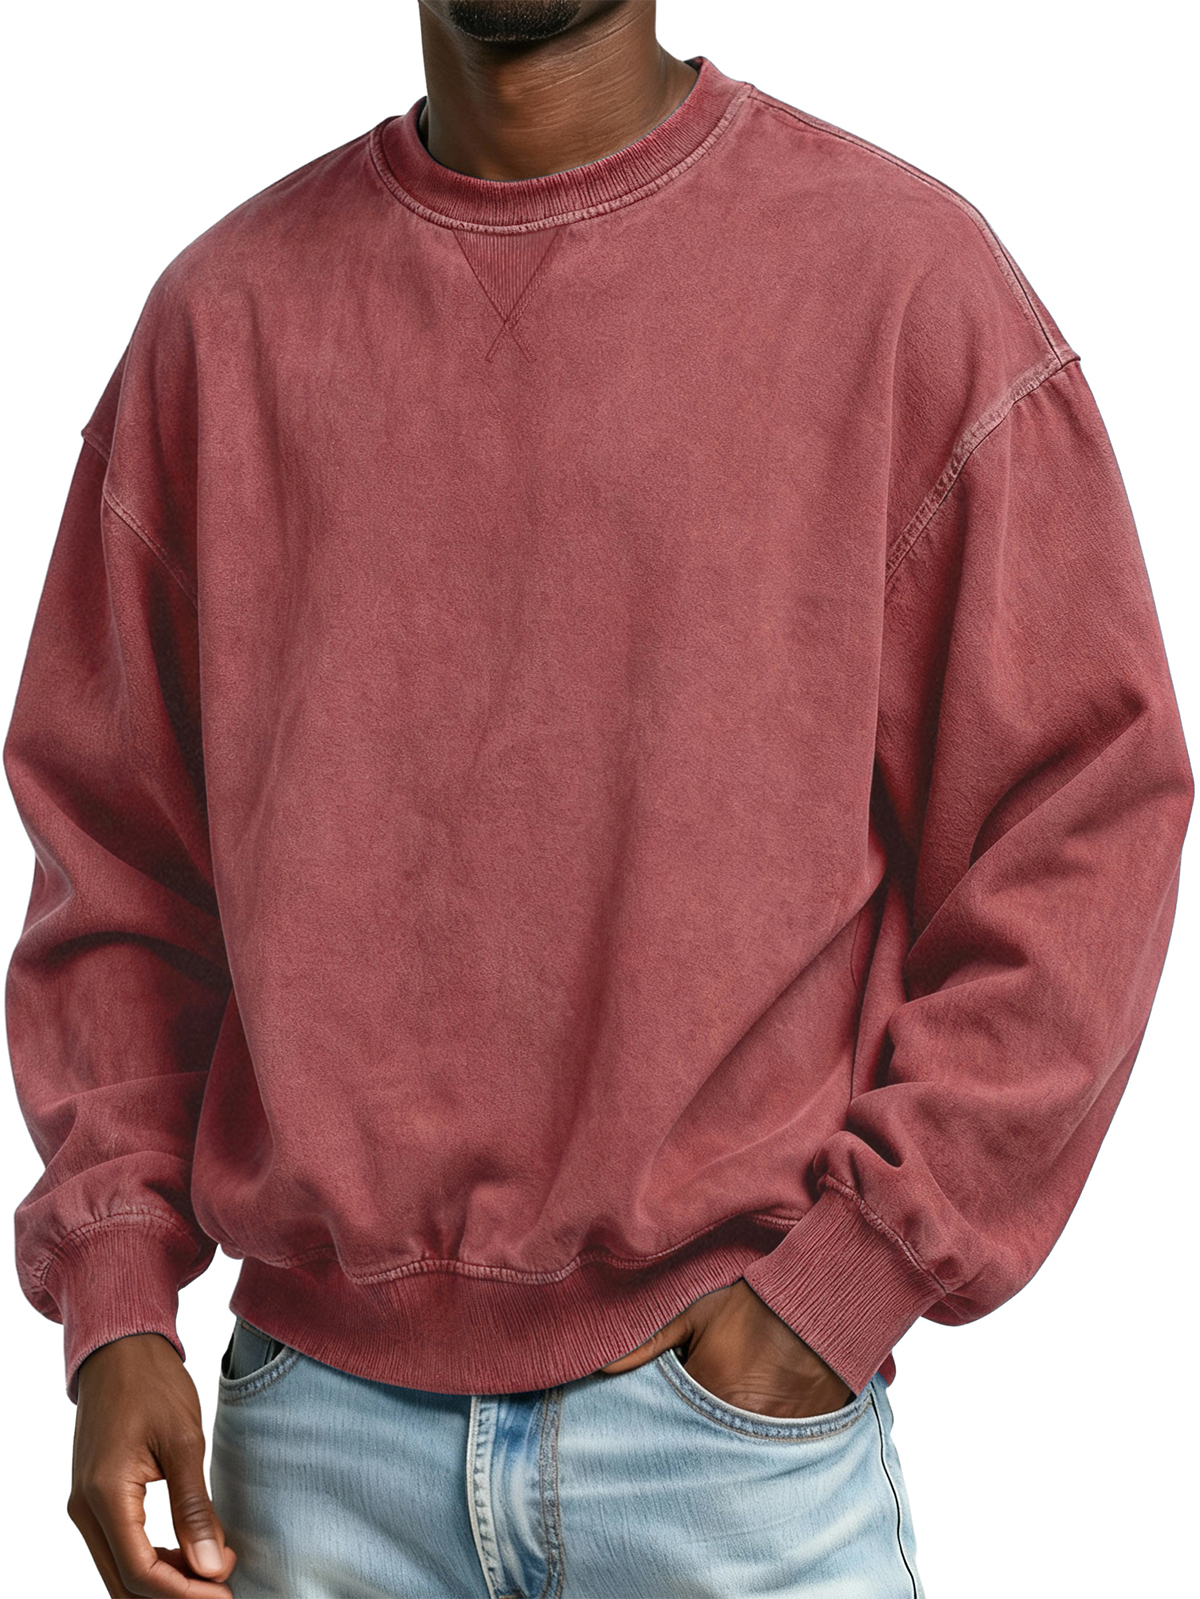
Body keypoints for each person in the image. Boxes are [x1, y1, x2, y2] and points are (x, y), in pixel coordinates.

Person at [3, 1, 1191, 1595]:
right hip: (314, 1456)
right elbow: (117, 869)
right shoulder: (223, 325)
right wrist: (117, 1303)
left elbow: (1084, 810)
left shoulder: (901, 285)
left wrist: (847, 1283)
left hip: (727, 1454)